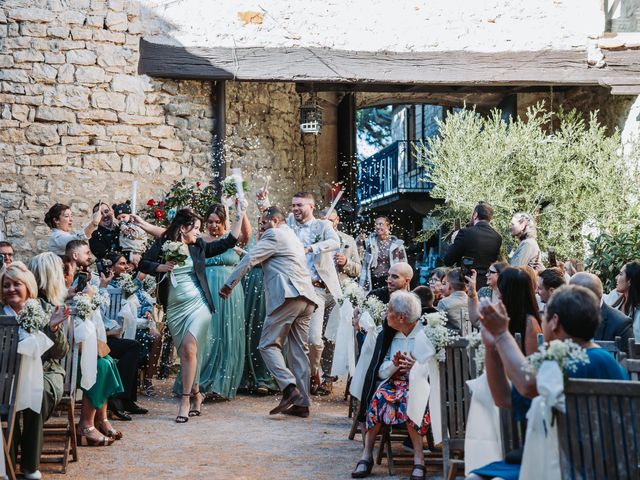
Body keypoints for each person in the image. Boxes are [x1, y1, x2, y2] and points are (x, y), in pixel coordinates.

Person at [469, 285, 628, 480]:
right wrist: (492, 347)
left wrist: (502, 334)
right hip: (573, 462)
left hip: (579, 468)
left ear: (554, 322)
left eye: (544, 315)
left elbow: (528, 386)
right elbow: (503, 398)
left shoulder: (587, 361)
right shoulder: (576, 359)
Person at [139, 206, 243, 423]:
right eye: (195, 228)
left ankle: (185, 401)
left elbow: (229, 241)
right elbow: (143, 263)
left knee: (189, 349)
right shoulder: (165, 244)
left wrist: (240, 214)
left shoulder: (198, 246)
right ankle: (197, 394)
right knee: (189, 355)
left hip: (199, 304)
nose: (198, 232)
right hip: (175, 308)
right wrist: (161, 267)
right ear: (183, 228)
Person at [221, 206, 320, 418]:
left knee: (267, 344)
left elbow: (250, 260)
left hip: (288, 296)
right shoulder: (290, 235)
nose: (262, 229)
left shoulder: (273, 234)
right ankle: (302, 404)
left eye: (264, 224)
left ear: (275, 220)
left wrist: (229, 284)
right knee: (298, 352)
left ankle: (289, 387)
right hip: (307, 298)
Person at [2, 262, 70, 479]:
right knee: (5, 399)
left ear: (28, 286)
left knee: (36, 396)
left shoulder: (44, 308)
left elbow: (60, 353)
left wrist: (53, 328)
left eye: (16, 284)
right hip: (6, 374)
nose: (11, 289)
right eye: (6, 285)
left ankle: (30, 466)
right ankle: (8, 463)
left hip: (45, 370)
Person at [65, 240, 145, 421]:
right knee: (126, 349)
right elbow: (89, 314)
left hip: (96, 336)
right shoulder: (77, 280)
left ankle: (125, 400)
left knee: (132, 346)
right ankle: (117, 400)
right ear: (76, 256)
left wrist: (102, 286)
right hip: (82, 341)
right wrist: (101, 288)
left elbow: (98, 314)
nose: (90, 256)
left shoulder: (88, 277)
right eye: (87, 253)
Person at [352, 291, 428, 480]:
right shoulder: (389, 335)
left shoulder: (427, 332)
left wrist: (416, 367)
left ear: (401, 317)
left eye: (389, 311)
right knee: (378, 398)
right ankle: (367, 454)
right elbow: (379, 371)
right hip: (393, 383)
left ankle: (419, 459)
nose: (386, 314)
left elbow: (437, 367)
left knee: (411, 400)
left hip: (420, 386)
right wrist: (394, 365)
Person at [189, 203, 251, 400]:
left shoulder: (230, 240)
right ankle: (198, 382)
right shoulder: (199, 240)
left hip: (230, 294)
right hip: (205, 291)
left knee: (228, 334)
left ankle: (221, 384)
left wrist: (242, 211)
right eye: (210, 222)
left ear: (225, 222)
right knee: (207, 334)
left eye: (218, 222)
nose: (214, 226)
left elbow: (246, 233)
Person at [286, 192, 341, 395]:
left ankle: (314, 372)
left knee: (314, 339)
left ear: (311, 206)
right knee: (293, 338)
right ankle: (303, 378)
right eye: (293, 205)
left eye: (299, 205)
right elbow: (272, 222)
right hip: (294, 289)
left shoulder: (323, 225)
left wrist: (312, 248)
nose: (295, 209)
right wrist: (262, 202)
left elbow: (335, 242)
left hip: (317, 288)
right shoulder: (290, 222)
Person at [106, 251, 162, 397]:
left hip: (139, 322)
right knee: (139, 341)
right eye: (122, 264)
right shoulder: (106, 283)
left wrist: (147, 311)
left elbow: (143, 301)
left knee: (156, 337)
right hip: (118, 327)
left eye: (126, 263)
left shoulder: (130, 282)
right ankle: (131, 380)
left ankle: (148, 380)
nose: (126, 267)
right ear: (112, 267)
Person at [443, 202, 502, 289]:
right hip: (487, 284)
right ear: (490, 218)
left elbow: (448, 260)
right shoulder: (497, 237)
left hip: (467, 284)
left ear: (475, 215)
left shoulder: (465, 233)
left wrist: (454, 241)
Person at [570, 272, 633, 349]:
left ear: (589, 298)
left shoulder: (620, 323)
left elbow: (626, 359)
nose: (567, 299)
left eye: (572, 295)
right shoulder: (565, 315)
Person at [360, 216, 407, 291]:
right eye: (376, 224)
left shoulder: (397, 244)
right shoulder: (370, 242)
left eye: (381, 224)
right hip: (373, 279)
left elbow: (404, 265)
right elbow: (361, 257)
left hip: (390, 280)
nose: (378, 227)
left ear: (388, 226)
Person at [320, 207, 362, 283]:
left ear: (337, 220)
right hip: (320, 287)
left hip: (341, 286)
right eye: (325, 221)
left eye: (331, 221)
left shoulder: (349, 240)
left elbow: (358, 269)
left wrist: (346, 262)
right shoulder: (314, 240)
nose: (328, 224)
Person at [466, 262, 508, 329]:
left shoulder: (510, 294)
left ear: (500, 274)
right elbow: (476, 321)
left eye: (490, 272)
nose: (486, 275)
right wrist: (472, 292)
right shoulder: (483, 291)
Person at [112, 201, 147, 265]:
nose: (121, 220)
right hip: (126, 253)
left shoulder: (135, 225)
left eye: (123, 217)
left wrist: (126, 230)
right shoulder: (120, 230)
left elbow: (133, 236)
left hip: (136, 251)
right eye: (119, 219)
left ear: (130, 216)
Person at [611, 261, 640, 340]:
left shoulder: (638, 312)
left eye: (620, 274)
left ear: (629, 281)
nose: (616, 277)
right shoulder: (614, 297)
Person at [437, 268, 468, 333]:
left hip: (452, 341)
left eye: (445, 283)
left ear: (449, 285)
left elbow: (438, 326)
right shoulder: (473, 302)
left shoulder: (444, 303)